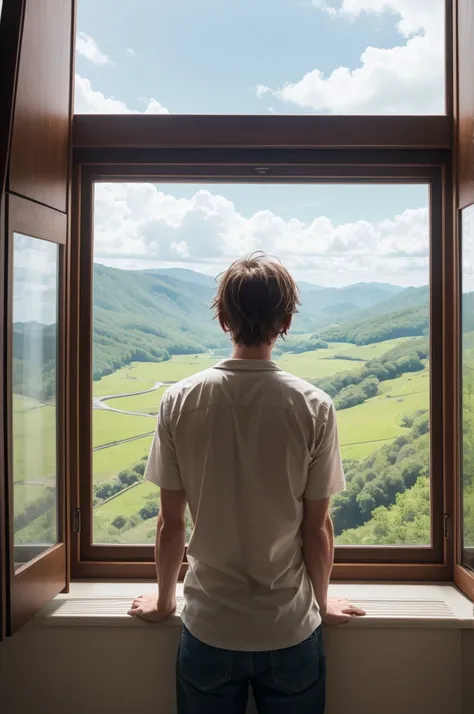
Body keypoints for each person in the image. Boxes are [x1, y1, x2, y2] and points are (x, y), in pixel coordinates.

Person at [128, 253, 366, 713]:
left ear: (222, 319)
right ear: (287, 320)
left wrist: (162, 601)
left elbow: (170, 524)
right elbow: (316, 528)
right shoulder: (314, 406)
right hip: (290, 628)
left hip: (209, 628)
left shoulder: (179, 400)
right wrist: (322, 599)